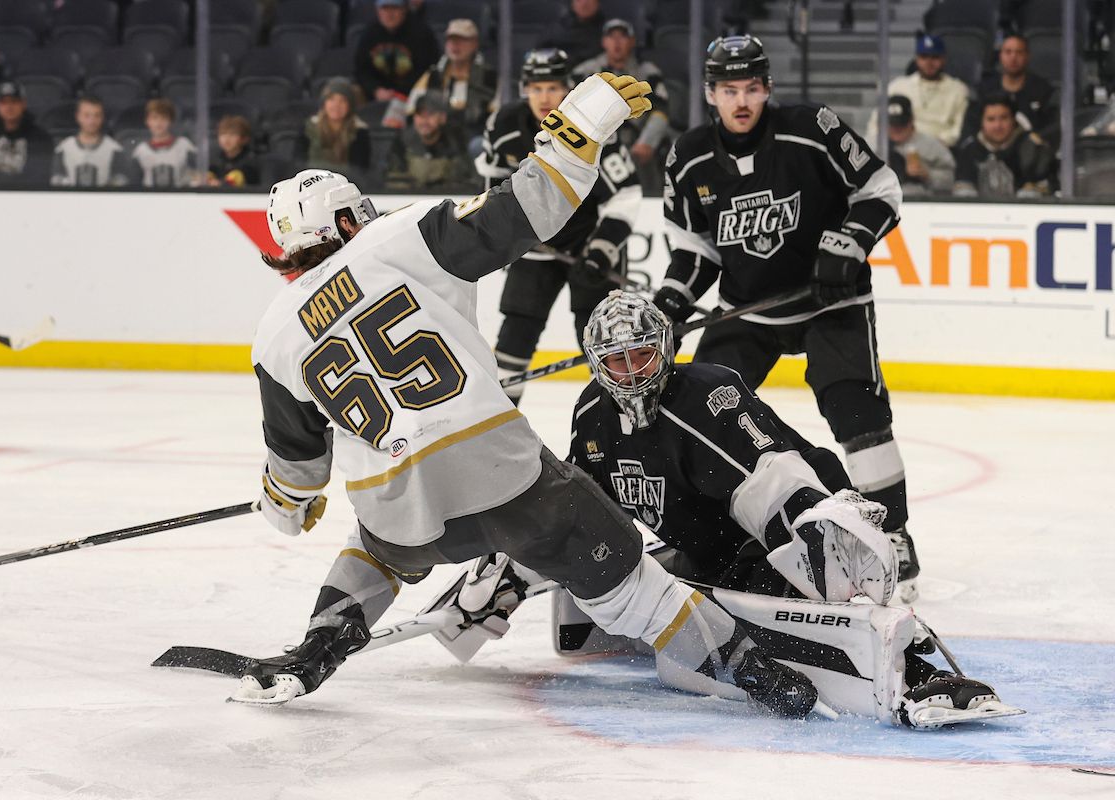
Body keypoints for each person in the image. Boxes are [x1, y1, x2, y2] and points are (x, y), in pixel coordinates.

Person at [235, 73, 822, 720]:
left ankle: (320, 644)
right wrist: (582, 126)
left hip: (396, 496)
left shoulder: (273, 334)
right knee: (627, 582)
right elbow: (528, 206)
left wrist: (284, 504)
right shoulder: (398, 236)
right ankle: (750, 668)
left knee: (377, 544)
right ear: (347, 218)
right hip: (499, 471)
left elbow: (296, 470)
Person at [552, 290, 1018, 729]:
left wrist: (815, 540)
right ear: (597, 364)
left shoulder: (706, 396)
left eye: (642, 354)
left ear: (665, 348)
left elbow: (777, 482)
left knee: (800, 591)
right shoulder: (591, 414)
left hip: (778, 532)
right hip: (705, 552)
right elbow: (575, 512)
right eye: (617, 359)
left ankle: (914, 673)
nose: (632, 373)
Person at [651, 36, 920, 602]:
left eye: (751, 88)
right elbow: (696, 247)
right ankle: (707, 537)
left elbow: (880, 187)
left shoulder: (811, 128)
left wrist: (848, 241)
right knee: (698, 410)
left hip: (831, 299)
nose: (741, 100)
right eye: (729, 90)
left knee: (853, 404)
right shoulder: (690, 157)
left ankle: (892, 534)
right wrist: (673, 301)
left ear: (767, 88)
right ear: (710, 94)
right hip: (749, 308)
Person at [476, 48, 643, 406]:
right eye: (536, 88)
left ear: (568, 88)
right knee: (516, 333)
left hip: (589, 244)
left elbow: (626, 195)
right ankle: (498, 420)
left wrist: (603, 249)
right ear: (524, 89)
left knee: (604, 335)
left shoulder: (593, 124)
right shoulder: (504, 124)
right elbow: (492, 184)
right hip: (533, 242)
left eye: (552, 87)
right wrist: (509, 235)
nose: (544, 97)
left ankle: (618, 415)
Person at [572, 18, 670, 170]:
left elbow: (661, 111)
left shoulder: (648, 73)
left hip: (637, 143)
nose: (616, 42)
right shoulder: (585, 72)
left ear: (632, 41)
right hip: (594, 141)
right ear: (604, 41)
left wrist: (647, 142)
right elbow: (570, 109)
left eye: (622, 36)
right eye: (611, 37)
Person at [868, 33, 969, 149]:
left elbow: (957, 131)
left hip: (939, 149)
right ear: (916, 58)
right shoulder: (898, 86)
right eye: (924, 57)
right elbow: (875, 124)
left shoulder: (958, 89)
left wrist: (928, 145)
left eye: (935, 57)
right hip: (898, 147)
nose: (929, 63)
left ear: (943, 59)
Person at [405, 18, 497, 141]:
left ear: (475, 43)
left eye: (462, 40)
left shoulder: (489, 78)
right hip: (439, 140)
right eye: (451, 40)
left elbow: (497, 117)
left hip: (475, 138)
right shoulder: (433, 75)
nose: (455, 45)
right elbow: (411, 110)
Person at [953, 93, 1055, 198]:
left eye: (1004, 118)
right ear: (981, 122)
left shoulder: (1033, 149)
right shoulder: (969, 150)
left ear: (1014, 120)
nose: (998, 125)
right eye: (991, 119)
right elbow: (963, 192)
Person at [968, 33, 1056, 143]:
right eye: (1008, 52)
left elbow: (1051, 128)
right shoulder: (985, 88)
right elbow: (972, 126)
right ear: (1000, 55)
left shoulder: (1043, 90)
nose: (1013, 57)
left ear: (1028, 56)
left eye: (1019, 52)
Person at [353, 0, 439, 104]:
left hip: (413, 93)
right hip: (377, 93)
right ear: (377, 11)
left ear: (404, 10)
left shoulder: (421, 33)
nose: (389, 14)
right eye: (385, 9)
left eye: (394, 8)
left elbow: (427, 70)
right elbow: (361, 70)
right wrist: (375, 90)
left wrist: (399, 93)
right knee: (352, 92)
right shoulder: (369, 33)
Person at [0, 79, 52, 186]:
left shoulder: (40, 138)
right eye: (4, 102)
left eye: (14, 101)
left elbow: (38, 176)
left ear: (23, 104)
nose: (9, 107)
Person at [384, 92, 472, 191]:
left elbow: (464, 184)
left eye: (430, 115)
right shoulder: (402, 143)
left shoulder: (456, 143)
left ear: (443, 118)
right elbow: (393, 182)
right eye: (420, 115)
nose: (424, 121)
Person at [295, 78, 371, 180]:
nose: (336, 105)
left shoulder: (360, 131)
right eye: (331, 99)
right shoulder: (309, 127)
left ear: (350, 105)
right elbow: (298, 165)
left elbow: (359, 170)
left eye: (342, 100)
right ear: (324, 103)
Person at [50, 95, 133, 187]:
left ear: (102, 117)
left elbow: (121, 183)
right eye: (86, 115)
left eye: (97, 115)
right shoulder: (63, 149)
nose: (92, 120)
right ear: (78, 116)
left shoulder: (115, 149)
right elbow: (56, 181)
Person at [886, 94, 954, 197]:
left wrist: (928, 174)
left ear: (912, 120)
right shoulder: (871, 146)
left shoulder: (931, 146)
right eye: (892, 124)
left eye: (901, 124)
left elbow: (951, 179)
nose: (897, 129)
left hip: (921, 203)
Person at [131, 98, 196, 188]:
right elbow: (134, 185)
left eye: (164, 118)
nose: (159, 123)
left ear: (170, 121)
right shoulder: (140, 151)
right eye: (154, 118)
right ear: (147, 121)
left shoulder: (185, 146)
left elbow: (196, 177)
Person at [539, 0, 604, 69]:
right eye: (579, 0)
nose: (584, 3)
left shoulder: (608, 30)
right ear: (572, 3)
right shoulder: (556, 28)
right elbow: (540, 54)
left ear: (597, 2)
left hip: (596, 73)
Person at [207, 114, 259, 187]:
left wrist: (221, 184)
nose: (227, 139)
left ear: (244, 138)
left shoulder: (251, 162)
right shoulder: (214, 161)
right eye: (223, 134)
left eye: (233, 134)